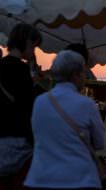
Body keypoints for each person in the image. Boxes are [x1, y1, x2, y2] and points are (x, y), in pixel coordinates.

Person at [24, 50, 105, 190]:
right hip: (78, 180)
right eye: (83, 72)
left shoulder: (39, 102)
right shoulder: (86, 104)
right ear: (75, 75)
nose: (85, 76)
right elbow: (100, 143)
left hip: (41, 179)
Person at [0, 23, 42, 189]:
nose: (34, 51)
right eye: (34, 46)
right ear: (26, 42)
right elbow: (29, 108)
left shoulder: (2, 65)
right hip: (17, 143)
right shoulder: (21, 69)